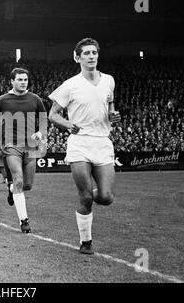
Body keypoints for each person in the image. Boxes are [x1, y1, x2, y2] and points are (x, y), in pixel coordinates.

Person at [48, 37, 121, 255]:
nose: (91, 57)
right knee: (86, 197)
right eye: (86, 53)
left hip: (102, 142)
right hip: (80, 143)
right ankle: (85, 241)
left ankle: (92, 194)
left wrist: (113, 115)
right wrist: (68, 124)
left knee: (106, 197)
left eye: (94, 53)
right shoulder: (70, 85)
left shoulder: (109, 80)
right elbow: (52, 114)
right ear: (77, 57)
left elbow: (110, 106)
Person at [0, 67, 47, 233]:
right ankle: (24, 221)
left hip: (30, 145)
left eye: (25, 80)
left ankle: (11, 190)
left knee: (27, 185)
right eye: (20, 79)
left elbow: (44, 121)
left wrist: (40, 132)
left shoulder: (35, 99)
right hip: (11, 145)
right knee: (18, 180)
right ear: (12, 81)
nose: (23, 82)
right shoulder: (2, 100)